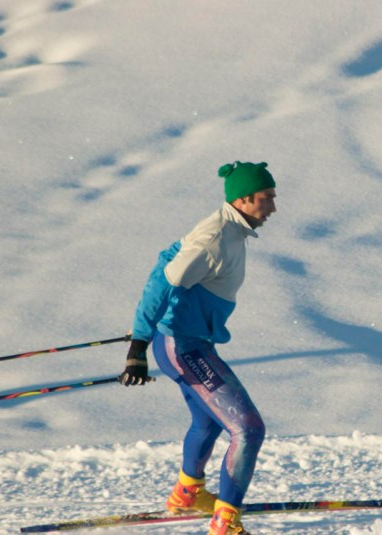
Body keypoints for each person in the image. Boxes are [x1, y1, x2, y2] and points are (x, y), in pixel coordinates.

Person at [119, 161, 277, 535]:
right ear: (243, 199)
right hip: (183, 346)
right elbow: (163, 281)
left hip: (189, 342)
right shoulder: (216, 237)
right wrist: (137, 346)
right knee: (248, 429)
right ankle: (225, 524)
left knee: (207, 420)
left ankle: (186, 495)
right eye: (266, 198)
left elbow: (168, 255)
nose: (272, 207)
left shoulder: (229, 231)